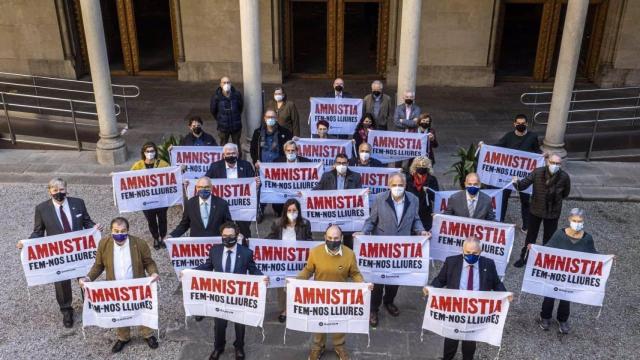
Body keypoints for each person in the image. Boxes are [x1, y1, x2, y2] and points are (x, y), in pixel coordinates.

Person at [18, 177, 102, 328]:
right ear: (49, 191)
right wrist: (26, 243)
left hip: (79, 251)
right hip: (58, 255)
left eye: (61, 189)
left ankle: (90, 306)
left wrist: (94, 227)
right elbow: (38, 232)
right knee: (62, 283)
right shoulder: (42, 209)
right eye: (55, 190)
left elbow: (86, 221)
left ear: (66, 189)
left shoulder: (78, 203)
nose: (59, 192)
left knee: (85, 278)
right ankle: (66, 311)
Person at [80, 217, 159, 353]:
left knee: (142, 309)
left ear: (128, 230)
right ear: (111, 231)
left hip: (137, 286)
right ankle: (123, 337)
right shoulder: (104, 244)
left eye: (123, 231)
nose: (120, 234)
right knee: (120, 311)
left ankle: (148, 334)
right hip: (116, 288)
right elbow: (98, 265)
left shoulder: (139, 244)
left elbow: (149, 262)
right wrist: (88, 278)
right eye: (116, 231)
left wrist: (153, 273)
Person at [360, 172, 429, 327]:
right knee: (377, 282)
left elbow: (416, 219)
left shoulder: (413, 200)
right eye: (394, 185)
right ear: (389, 186)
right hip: (381, 249)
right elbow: (371, 220)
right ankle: (373, 309)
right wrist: (363, 233)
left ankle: (389, 301)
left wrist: (421, 231)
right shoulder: (379, 199)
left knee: (395, 279)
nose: (398, 188)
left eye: (401, 185)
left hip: (401, 251)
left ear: (405, 186)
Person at [191, 221, 267, 360]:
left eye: (230, 235)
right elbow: (208, 266)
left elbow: (253, 269)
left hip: (239, 296)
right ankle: (218, 347)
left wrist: (262, 278)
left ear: (237, 236)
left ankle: (239, 347)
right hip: (220, 296)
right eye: (224, 236)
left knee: (240, 325)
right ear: (221, 236)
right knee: (219, 325)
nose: (227, 238)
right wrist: (190, 273)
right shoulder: (215, 250)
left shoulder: (246, 253)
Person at [425, 237, 510, 360]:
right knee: (450, 338)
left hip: (475, 311)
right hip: (454, 308)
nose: (471, 255)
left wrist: (505, 295)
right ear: (462, 250)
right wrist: (431, 288)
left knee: (470, 343)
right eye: (468, 252)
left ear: (480, 252)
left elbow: (496, 283)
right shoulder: (451, 262)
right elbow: (440, 280)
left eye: (475, 253)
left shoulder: (488, 264)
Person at [297, 225, 371, 360]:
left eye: (336, 238)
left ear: (341, 238)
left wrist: (362, 285)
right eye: (330, 238)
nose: (332, 240)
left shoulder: (349, 254)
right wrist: (296, 281)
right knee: (319, 322)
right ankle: (317, 347)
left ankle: (339, 346)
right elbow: (308, 270)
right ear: (325, 237)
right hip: (319, 296)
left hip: (340, 298)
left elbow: (354, 273)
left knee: (339, 321)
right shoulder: (315, 252)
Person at [536, 208, 596, 334]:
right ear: (569, 219)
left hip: (571, 275)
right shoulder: (559, 234)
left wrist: (607, 258)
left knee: (566, 296)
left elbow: (594, 255)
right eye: (574, 220)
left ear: (583, 221)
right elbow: (547, 249)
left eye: (579, 221)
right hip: (556, 273)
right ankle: (545, 316)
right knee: (550, 295)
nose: (577, 223)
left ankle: (562, 319)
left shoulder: (587, 239)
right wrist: (534, 249)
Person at [480, 114, 541, 230]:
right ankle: (501, 221)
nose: (520, 125)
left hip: (524, 176)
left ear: (527, 124)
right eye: (518, 124)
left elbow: (537, 151)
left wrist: (543, 155)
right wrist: (484, 146)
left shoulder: (533, 137)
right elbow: (496, 147)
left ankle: (526, 226)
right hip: (508, 175)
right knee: (504, 198)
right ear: (514, 124)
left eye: (523, 124)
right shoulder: (508, 136)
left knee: (525, 201)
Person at [512, 153, 571, 268]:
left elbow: (565, 193)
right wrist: (516, 182)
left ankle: (545, 261)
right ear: (547, 162)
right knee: (530, 237)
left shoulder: (564, 177)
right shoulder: (537, 172)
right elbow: (523, 185)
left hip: (552, 212)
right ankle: (524, 258)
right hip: (536, 209)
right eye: (553, 162)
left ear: (561, 164)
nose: (555, 165)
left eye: (557, 163)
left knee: (549, 238)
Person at [266, 198, 313, 323]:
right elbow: (270, 239)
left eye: (295, 210)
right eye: (289, 210)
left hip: (298, 261)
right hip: (282, 261)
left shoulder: (305, 223)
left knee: (298, 284)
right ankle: (285, 310)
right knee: (283, 286)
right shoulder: (277, 224)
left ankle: (297, 307)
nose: (292, 212)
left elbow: (309, 239)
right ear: (285, 211)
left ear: (299, 211)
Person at [204, 142, 259, 238]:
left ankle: (245, 247)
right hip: (222, 205)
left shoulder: (246, 165)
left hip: (241, 205)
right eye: (228, 154)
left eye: (233, 153)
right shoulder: (215, 167)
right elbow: (205, 181)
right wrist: (190, 184)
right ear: (223, 155)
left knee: (244, 231)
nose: (231, 155)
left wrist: (256, 184)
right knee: (222, 230)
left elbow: (252, 184)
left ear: (237, 154)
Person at [313, 153, 362, 249]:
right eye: (339, 163)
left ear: (348, 164)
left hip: (347, 214)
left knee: (348, 242)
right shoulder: (327, 176)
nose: (341, 165)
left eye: (344, 163)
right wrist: (305, 195)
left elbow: (359, 193)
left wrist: (365, 193)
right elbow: (317, 190)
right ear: (335, 164)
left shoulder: (356, 176)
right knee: (331, 239)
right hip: (331, 214)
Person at [251, 109, 293, 220]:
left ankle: (279, 211)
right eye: (268, 117)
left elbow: (290, 148)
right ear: (264, 119)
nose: (270, 119)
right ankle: (259, 210)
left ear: (276, 118)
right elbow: (253, 149)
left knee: (278, 189)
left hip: (278, 168)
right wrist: (256, 160)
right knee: (260, 189)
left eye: (273, 117)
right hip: (262, 167)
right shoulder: (258, 133)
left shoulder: (285, 132)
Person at [131, 142, 170, 249]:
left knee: (162, 219)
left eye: (152, 151)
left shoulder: (162, 163)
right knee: (151, 221)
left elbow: (171, 175)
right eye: (148, 151)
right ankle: (155, 238)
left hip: (161, 200)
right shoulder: (138, 165)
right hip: (146, 200)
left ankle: (163, 237)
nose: (150, 153)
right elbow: (128, 178)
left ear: (155, 152)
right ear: (143, 153)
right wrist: (116, 176)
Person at [168, 176, 232, 238]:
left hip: (216, 243)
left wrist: (236, 233)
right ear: (197, 188)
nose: (203, 189)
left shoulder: (222, 203)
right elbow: (184, 224)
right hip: (196, 244)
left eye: (206, 187)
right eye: (200, 187)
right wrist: (172, 235)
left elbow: (228, 224)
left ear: (211, 188)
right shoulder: (190, 203)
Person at [406, 156, 439, 231]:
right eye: (419, 166)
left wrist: (429, 191)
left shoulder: (432, 179)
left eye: (423, 166)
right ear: (414, 167)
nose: (421, 168)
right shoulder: (409, 179)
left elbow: (436, 197)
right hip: (411, 211)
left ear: (428, 167)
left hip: (426, 213)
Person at [210, 76, 243, 149]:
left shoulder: (237, 95)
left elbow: (240, 108)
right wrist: (220, 119)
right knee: (223, 146)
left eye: (228, 82)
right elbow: (213, 110)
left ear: (231, 84)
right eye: (224, 82)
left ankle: (238, 159)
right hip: (223, 127)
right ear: (220, 84)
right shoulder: (216, 96)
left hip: (236, 126)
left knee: (237, 145)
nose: (226, 84)